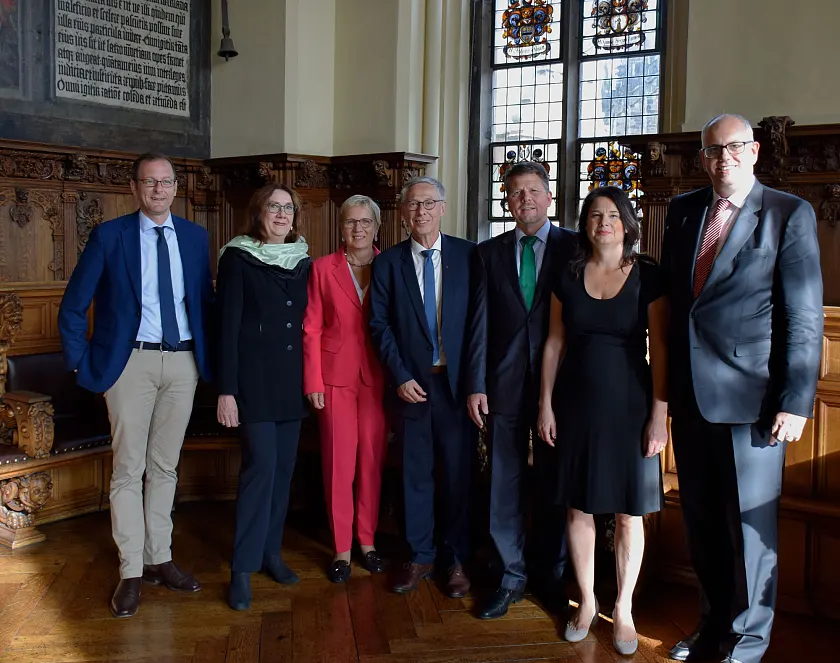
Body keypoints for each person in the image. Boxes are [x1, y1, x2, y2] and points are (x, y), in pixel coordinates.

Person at [661, 114, 822, 663]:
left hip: (754, 403)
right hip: (691, 399)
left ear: (753, 151)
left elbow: (802, 318)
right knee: (703, 526)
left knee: (751, 534)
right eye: (710, 150)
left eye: (732, 147)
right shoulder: (682, 212)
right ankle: (712, 628)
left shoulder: (787, 213)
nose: (721, 157)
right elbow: (674, 305)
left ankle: (748, 646)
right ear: (702, 158)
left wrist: (796, 401)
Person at [58, 153, 213, 618]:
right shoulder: (110, 236)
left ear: (176, 187)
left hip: (183, 362)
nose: (159, 189)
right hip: (130, 365)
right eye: (150, 182)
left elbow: (204, 304)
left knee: (164, 467)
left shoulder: (195, 237)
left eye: (166, 182)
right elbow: (72, 307)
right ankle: (130, 570)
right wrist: (83, 368)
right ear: (134, 187)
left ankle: (158, 558)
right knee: (128, 470)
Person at [537, 186, 668, 656]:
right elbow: (554, 343)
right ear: (584, 224)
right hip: (575, 405)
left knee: (630, 512)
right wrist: (545, 403)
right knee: (579, 507)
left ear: (628, 223)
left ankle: (625, 607)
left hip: (632, 408)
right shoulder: (567, 273)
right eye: (594, 215)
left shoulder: (647, 274)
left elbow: (663, 349)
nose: (603, 222)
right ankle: (588, 601)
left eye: (612, 214)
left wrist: (660, 415)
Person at [466, 162, 575, 619]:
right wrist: (475, 384)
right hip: (503, 385)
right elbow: (478, 325)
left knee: (554, 484)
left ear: (549, 197)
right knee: (503, 484)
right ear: (506, 202)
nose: (524, 199)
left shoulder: (575, 246)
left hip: (562, 387)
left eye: (532, 190)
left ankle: (551, 578)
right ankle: (509, 577)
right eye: (514, 193)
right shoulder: (487, 253)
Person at [369, 176, 475, 598]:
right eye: (413, 205)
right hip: (411, 387)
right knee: (415, 477)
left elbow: (480, 325)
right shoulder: (388, 263)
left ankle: (455, 559)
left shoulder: (469, 256)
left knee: (457, 477)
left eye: (429, 204)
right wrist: (400, 375)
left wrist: (475, 383)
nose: (422, 212)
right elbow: (379, 325)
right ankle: (420, 555)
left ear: (443, 208)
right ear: (402, 212)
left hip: (455, 388)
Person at [215, 183, 312, 611]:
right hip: (252, 385)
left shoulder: (304, 260)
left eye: (287, 208)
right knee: (261, 469)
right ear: (258, 212)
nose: (281, 214)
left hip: (293, 385)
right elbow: (227, 329)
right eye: (273, 207)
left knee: (285, 471)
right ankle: (242, 567)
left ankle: (272, 553)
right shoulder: (238, 257)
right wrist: (226, 391)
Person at [303, 194, 388, 583]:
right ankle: (341, 549)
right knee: (339, 465)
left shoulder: (390, 265)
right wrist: (312, 380)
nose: (358, 229)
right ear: (341, 227)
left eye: (365, 222)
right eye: (351, 222)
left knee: (370, 462)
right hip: (334, 379)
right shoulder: (322, 268)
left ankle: (367, 543)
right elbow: (312, 327)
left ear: (376, 226)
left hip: (377, 377)